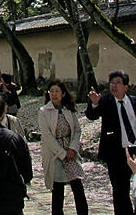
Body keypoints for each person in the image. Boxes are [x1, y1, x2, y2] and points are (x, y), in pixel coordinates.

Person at [86, 70, 136, 215]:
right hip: (118, 153)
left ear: (126, 87)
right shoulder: (105, 101)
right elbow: (92, 115)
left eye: (118, 83)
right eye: (112, 83)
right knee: (120, 191)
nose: (114, 86)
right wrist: (94, 103)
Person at [39, 80, 88, 215]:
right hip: (55, 153)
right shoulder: (44, 111)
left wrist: (72, 148)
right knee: (58, 189)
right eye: (52, 91)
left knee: (77, 186)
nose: (54, 94)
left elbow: (77, 130)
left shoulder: (68, 109)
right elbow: (47, 136)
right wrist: (62, 153)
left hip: (70, 150)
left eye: (57, 92)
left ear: (63, 94)